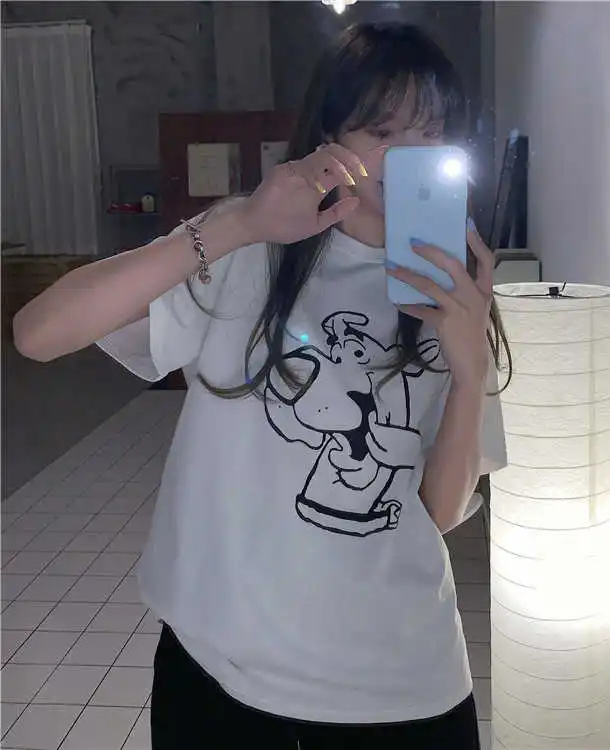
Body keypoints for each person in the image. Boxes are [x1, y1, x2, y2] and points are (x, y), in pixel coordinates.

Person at [14, 22, 508, 750]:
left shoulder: (458, 293)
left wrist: (469, 375)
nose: (408, 156)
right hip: (218, 669)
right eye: (381, 132)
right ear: (330, 140)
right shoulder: (250, 249)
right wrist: (241, 223)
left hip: (399, 680)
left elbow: (435, 513)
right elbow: (39, 332)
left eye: (431, 134)